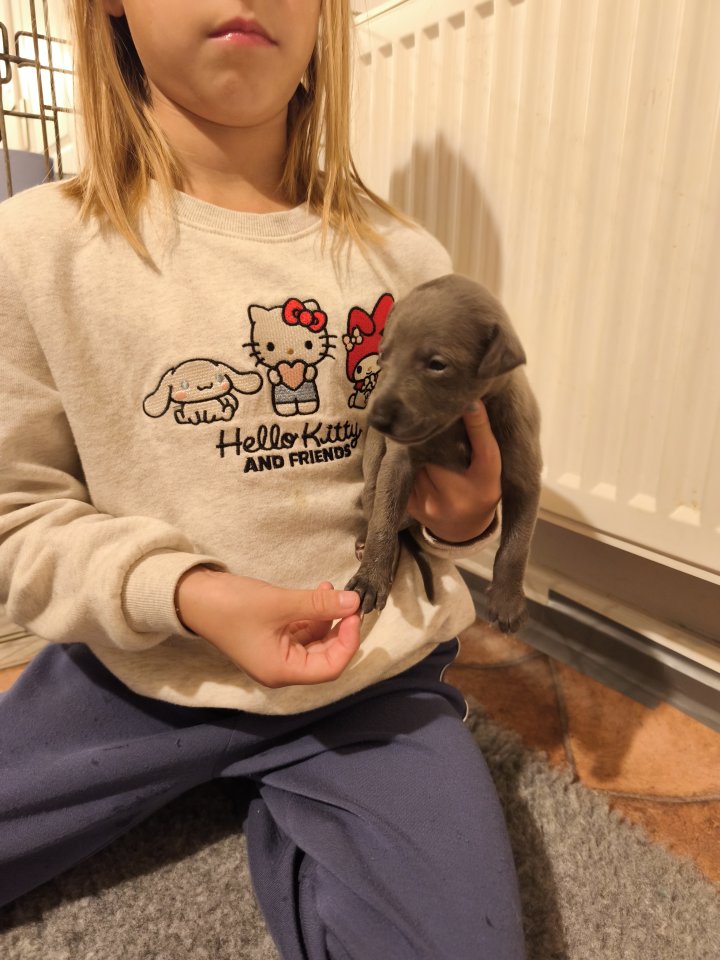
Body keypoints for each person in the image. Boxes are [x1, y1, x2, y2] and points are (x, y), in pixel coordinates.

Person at [0, 1, 526, 956]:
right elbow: (16, 519)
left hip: (370, 680)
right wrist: (191, 595)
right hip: (131, 672)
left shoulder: (409, 261)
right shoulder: (31, 247)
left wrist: (465, 521)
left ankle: (296, 802)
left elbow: (441, 495)